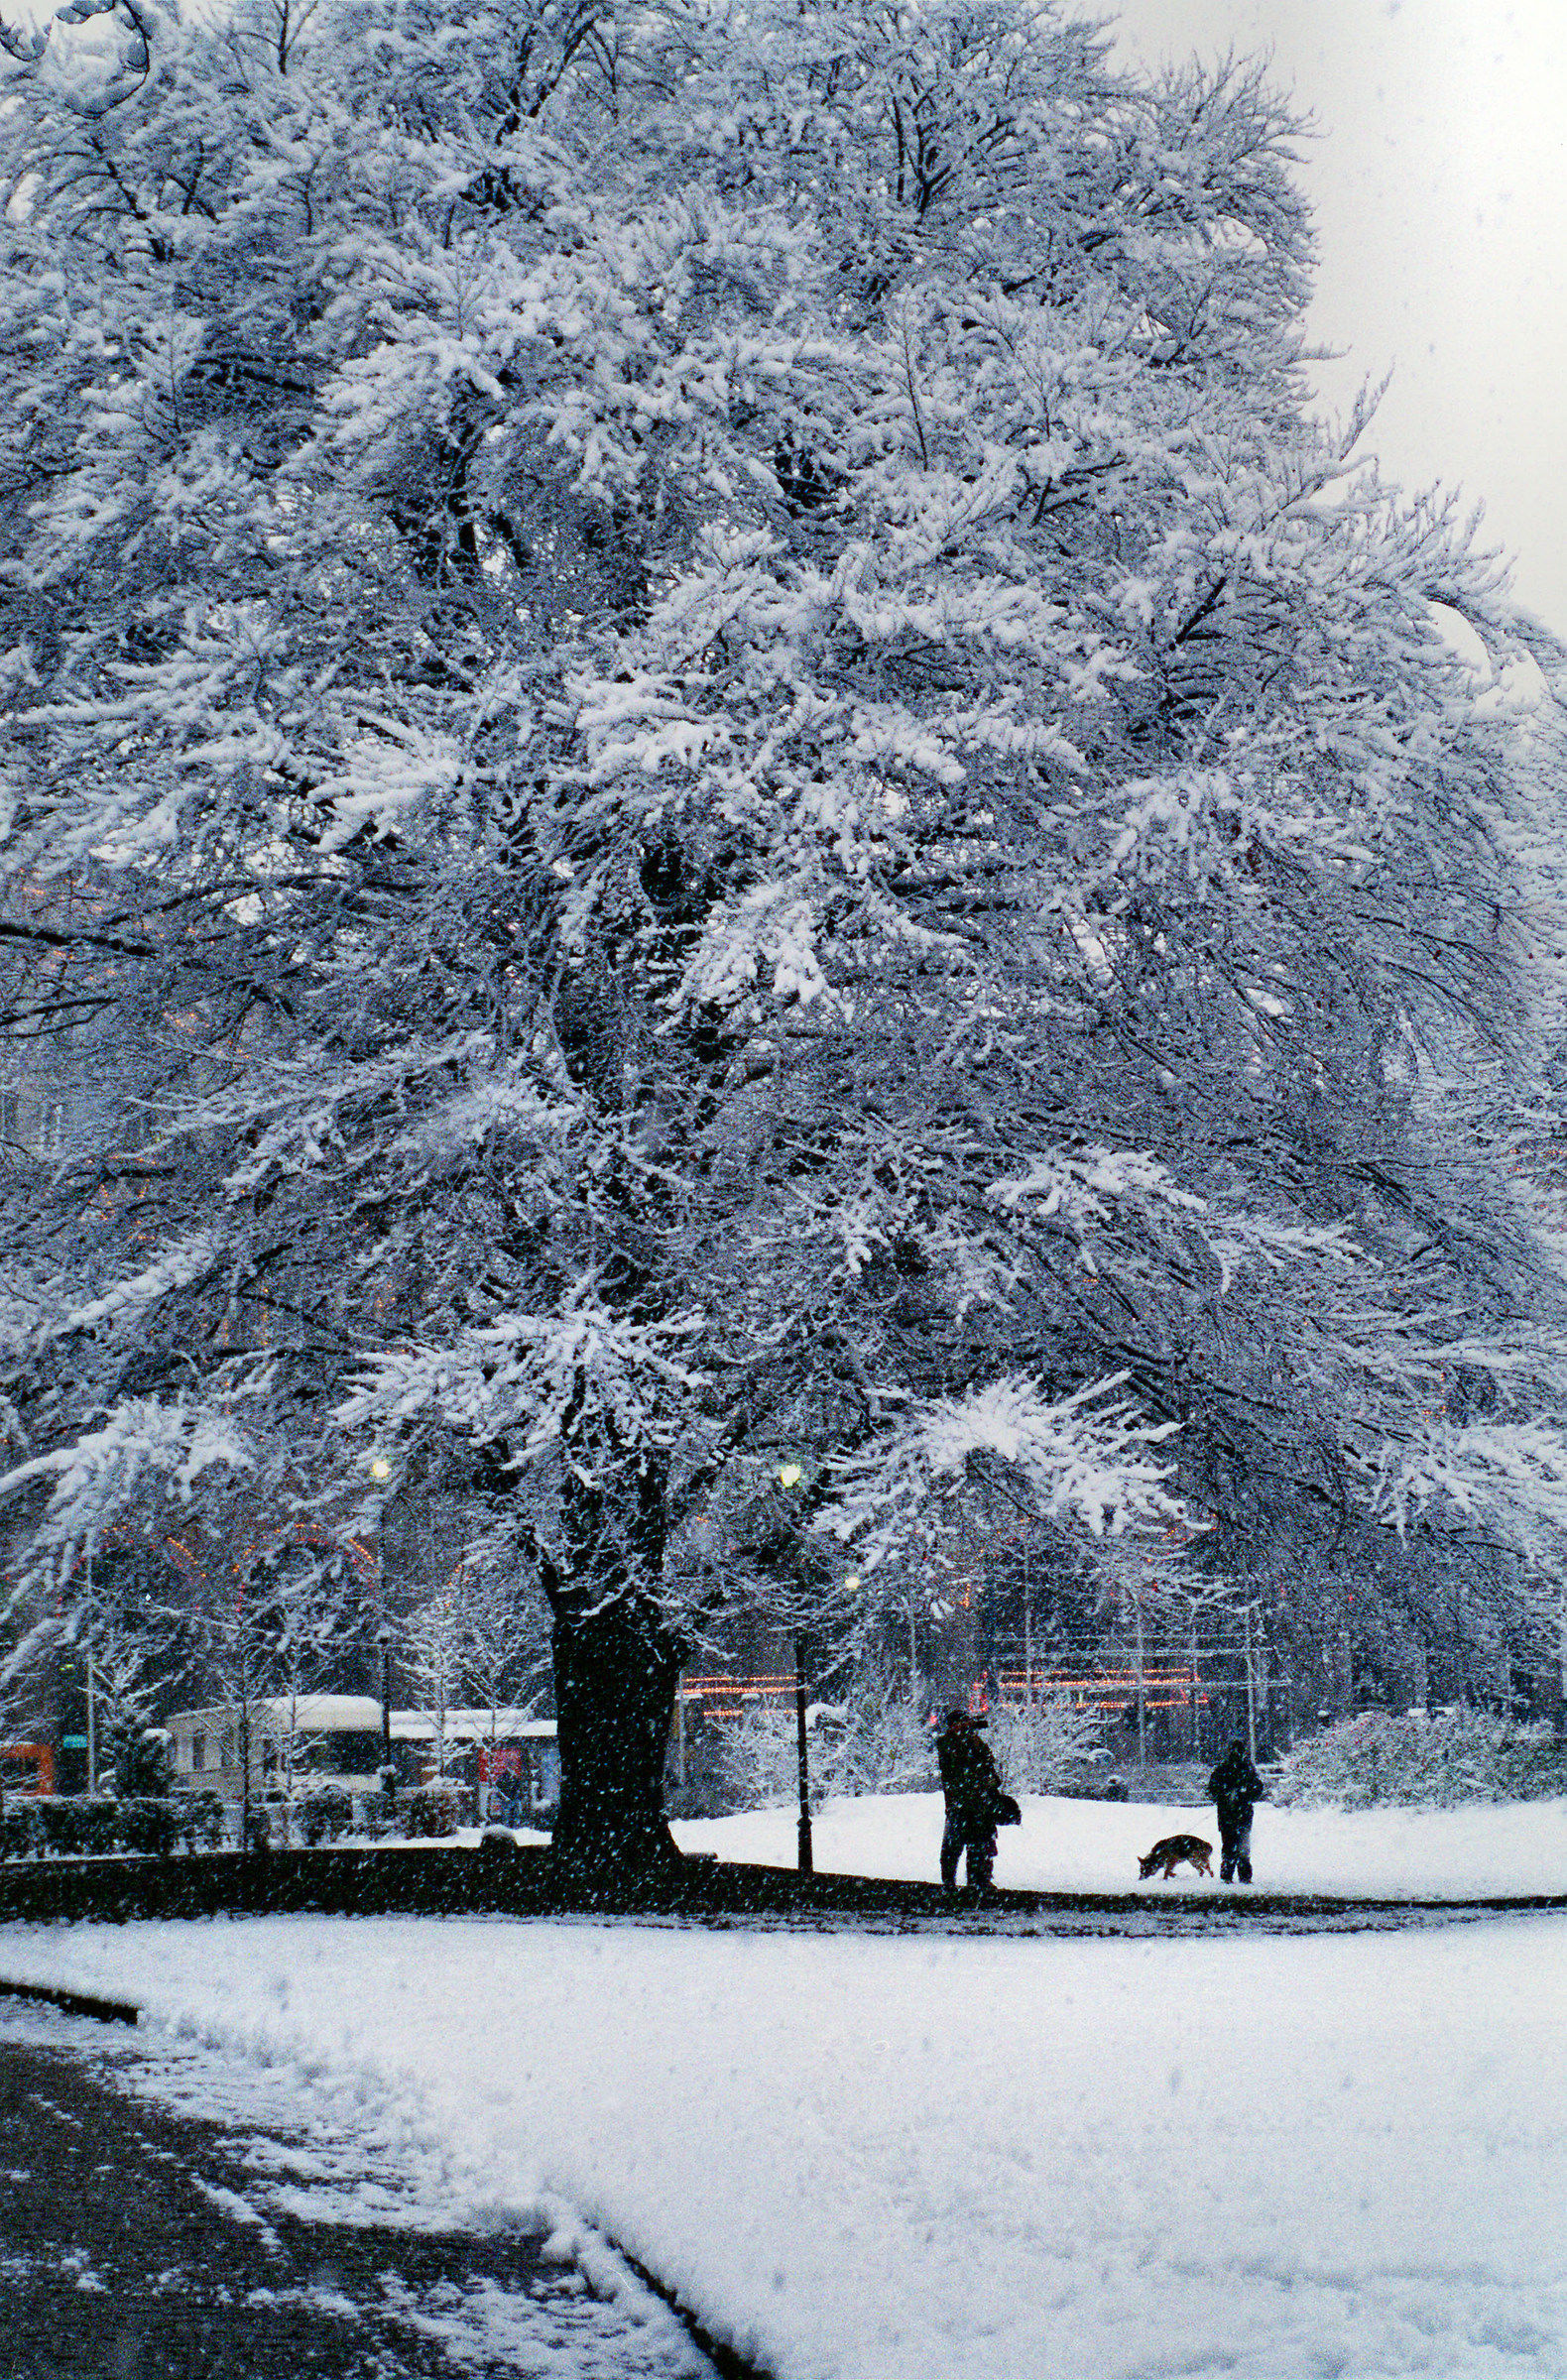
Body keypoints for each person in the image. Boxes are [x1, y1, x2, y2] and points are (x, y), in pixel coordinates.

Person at [936, 1710, 1005, 1891]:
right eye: (963, 1722)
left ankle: (979, 1882)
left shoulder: (974, 1742)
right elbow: (959, 1771)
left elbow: (987, 1768)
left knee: (980, 1845)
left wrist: (991, 1782)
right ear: (953, 1726)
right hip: (961, 1803)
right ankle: (950, 1883)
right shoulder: (948, 1743)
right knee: (954, 1845)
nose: (968, 1726)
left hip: (979, 1804)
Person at [1207, 1738, 1264, 1883]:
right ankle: (1244, 1876)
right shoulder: (1247, 1768)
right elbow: (1258, 1789)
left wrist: (1225, 1794)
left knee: (1228, 1845)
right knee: (1243, 1845)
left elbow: (1212, 1789)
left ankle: (1227, 1875)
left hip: (1226, 1814)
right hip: (1243, 1814)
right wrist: (1244, 1795)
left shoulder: (1222, 1768)